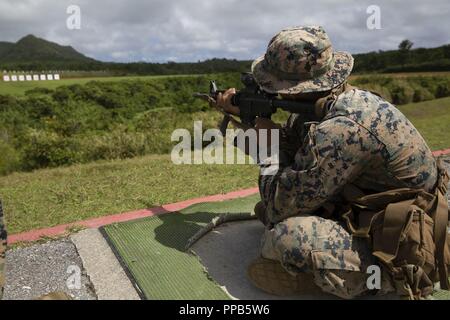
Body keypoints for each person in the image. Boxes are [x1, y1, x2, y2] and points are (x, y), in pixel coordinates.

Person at [214, 26, 448, 299]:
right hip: (377, 209)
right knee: (266, 212)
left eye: (275, 86)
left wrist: (266, 148)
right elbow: (301, 150)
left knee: (286, 237)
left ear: (296, 88)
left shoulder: (343, 127)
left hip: (412, 238)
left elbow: (279, 207)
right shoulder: (330, 103)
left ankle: (393, 278)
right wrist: (251, 119)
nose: (274, 93)